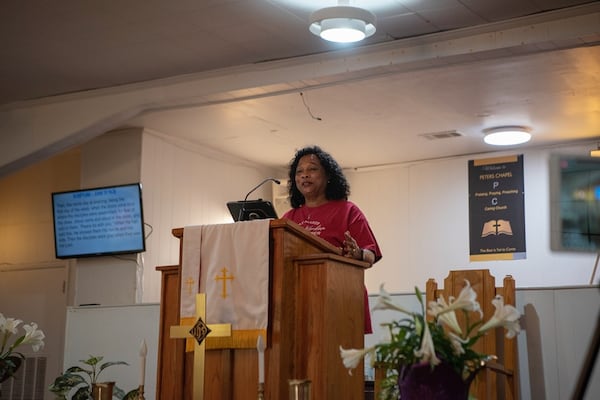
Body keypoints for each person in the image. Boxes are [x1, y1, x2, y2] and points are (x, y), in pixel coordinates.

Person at [282, 145, 382, 333]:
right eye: (300, 172)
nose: (305, 175)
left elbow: (371, 255)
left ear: (328, 176)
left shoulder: (348, 211)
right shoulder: (288, 218)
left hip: (341, 296)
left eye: (312, 169)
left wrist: (358, 253)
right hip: (299, 300)